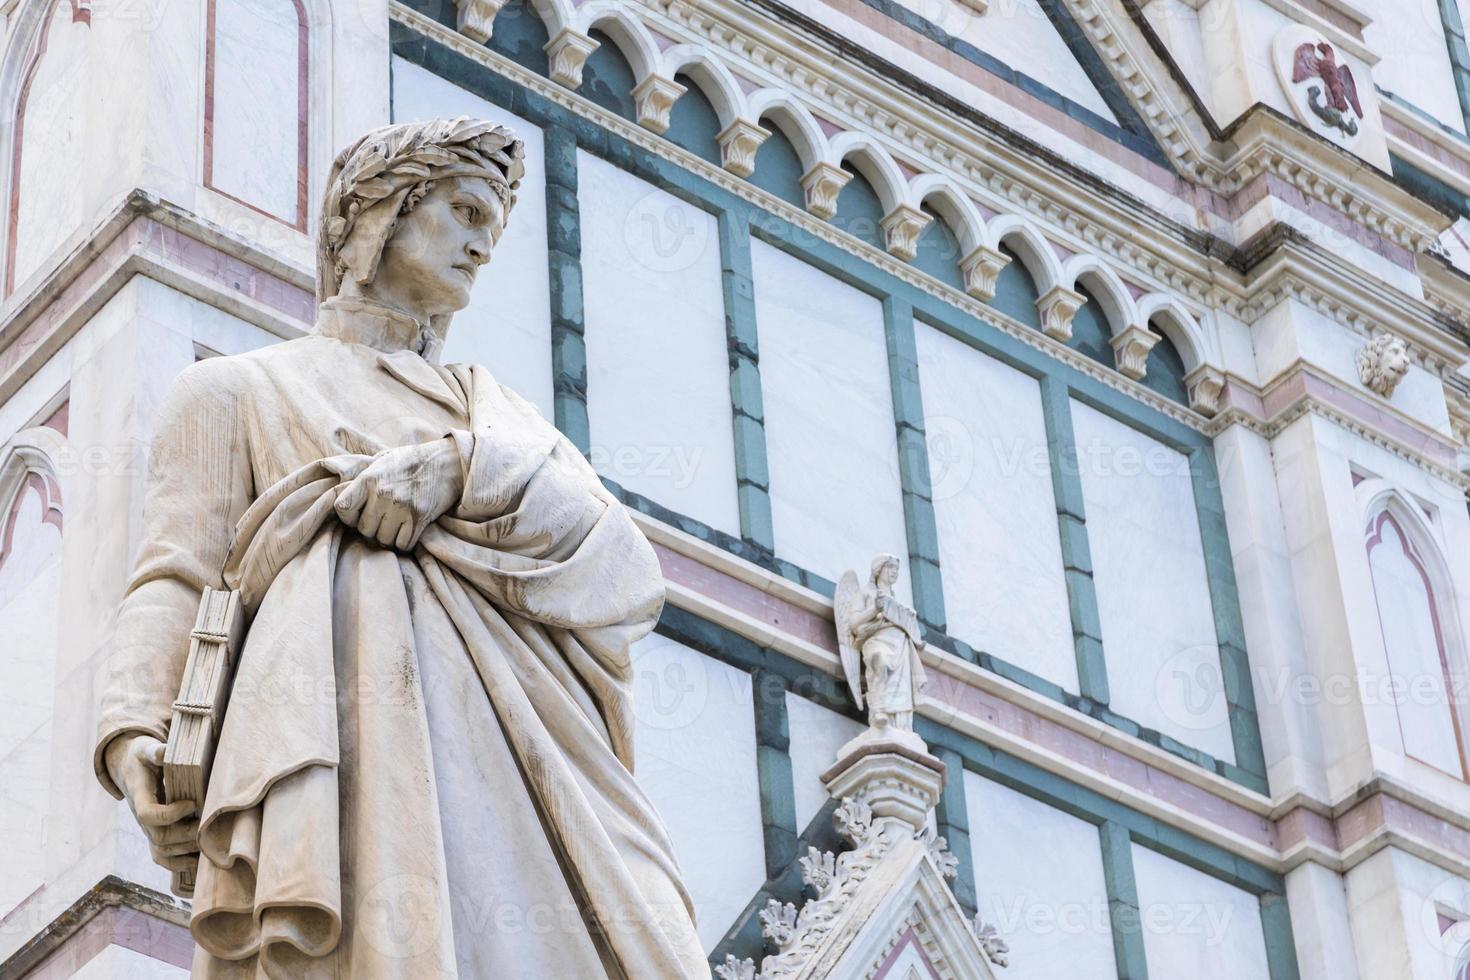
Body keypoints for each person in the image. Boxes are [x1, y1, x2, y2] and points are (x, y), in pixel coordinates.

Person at [93, 117, 708, 978]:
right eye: (464, 212)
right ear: (378, 214)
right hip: (351, 761)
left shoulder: (498, 422)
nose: (481, 245)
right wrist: (132, 725)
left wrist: (455, 473)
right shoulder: (239, 391)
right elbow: (176, 575)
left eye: (491, 228)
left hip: (539, 775)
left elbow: (623, 572)